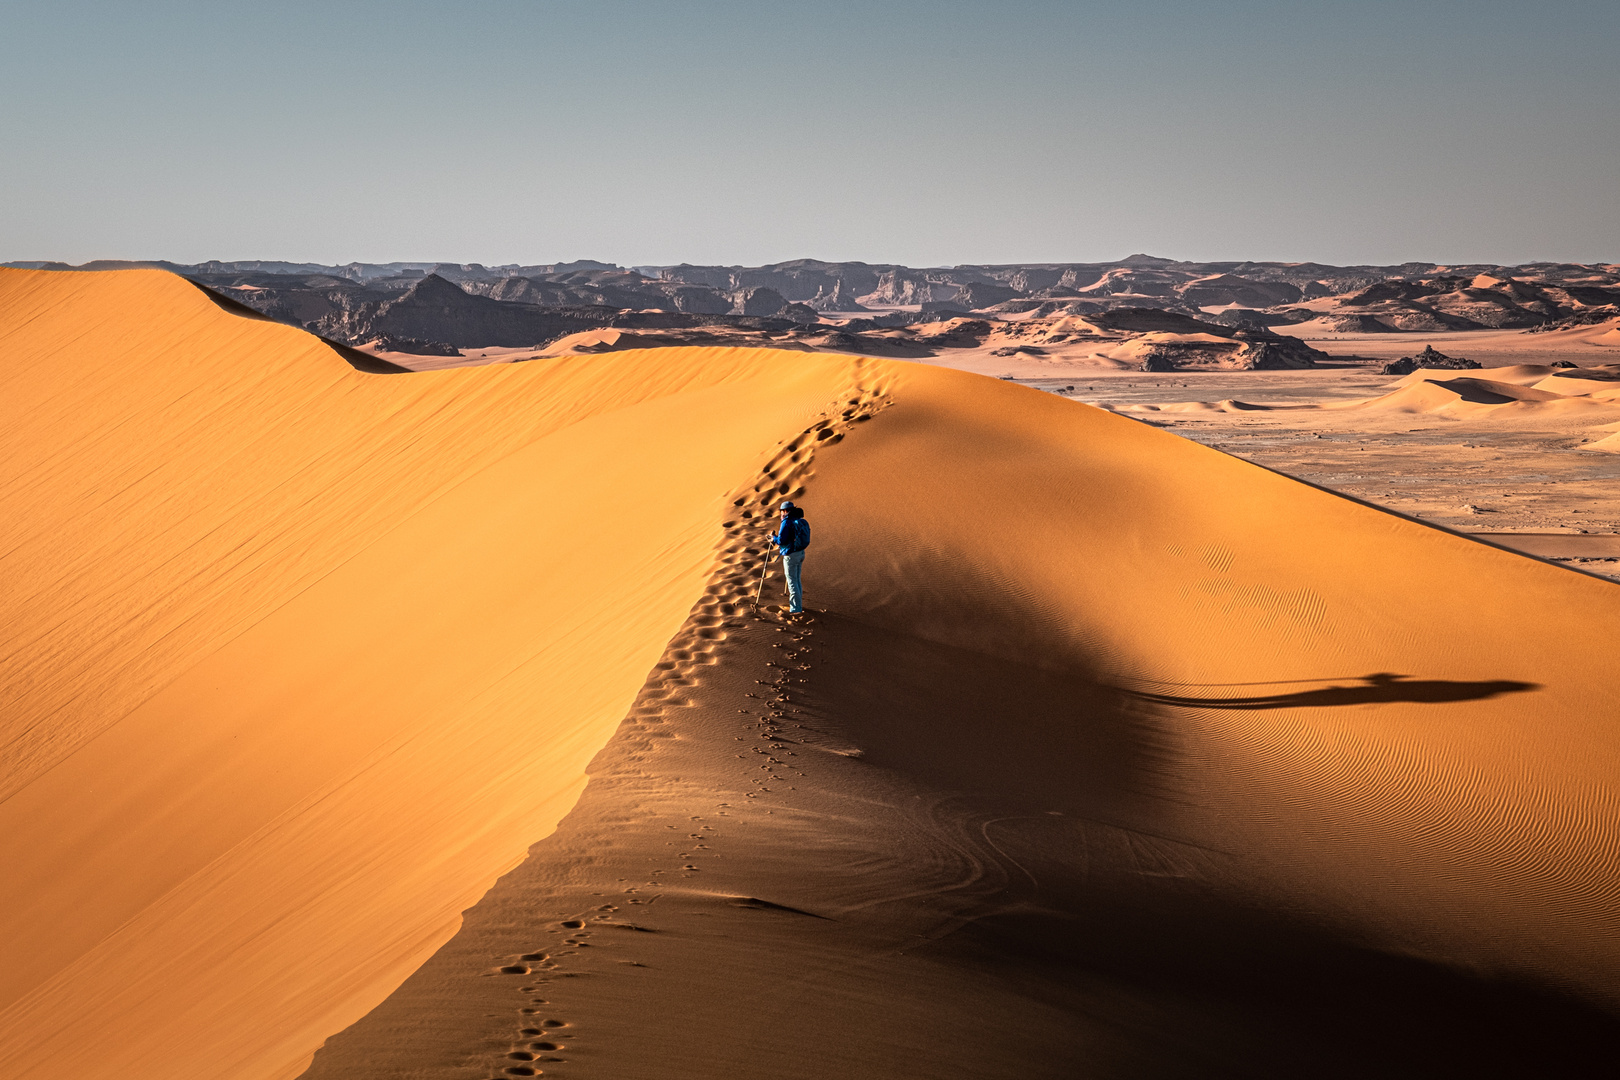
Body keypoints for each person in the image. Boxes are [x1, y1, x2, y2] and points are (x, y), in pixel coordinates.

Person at [772, 499, 811, 614]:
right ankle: (798, 606)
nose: (781, 513)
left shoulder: (786, 522)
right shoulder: (798, 519)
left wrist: (773, 538)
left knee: (792, 581)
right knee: (797, 580)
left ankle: (795, 609)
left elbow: (781, 540)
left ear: (784, 511)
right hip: (800, 553)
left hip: (791, 555)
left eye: (781, 511)